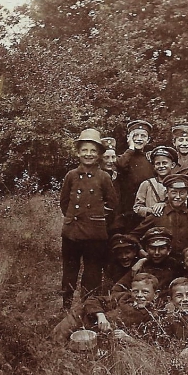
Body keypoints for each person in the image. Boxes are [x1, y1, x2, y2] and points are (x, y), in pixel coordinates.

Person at [60, 128, 118, 310]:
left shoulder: (104, 177)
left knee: (92, 272)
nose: (88, 154)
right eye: (84, 150)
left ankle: (89, 307)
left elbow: (112, 204)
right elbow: (64, 202)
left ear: (99, 154)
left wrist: (96, 219)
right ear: (78, 152)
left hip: (95, 234)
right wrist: (74, 219)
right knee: (70, 270)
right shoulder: (71, 175)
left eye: (93, 151)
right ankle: (66, 306)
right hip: (71, 232)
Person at [52, 273, 160, 344]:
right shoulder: (124, 298)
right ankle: (52, 344)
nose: (139, 295)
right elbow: (93, 299)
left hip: (106, 339)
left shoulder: (153, 316)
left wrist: (128, 338)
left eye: (145, 292)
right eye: (136, 291)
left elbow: (149, 343)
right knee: (79, 312)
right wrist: (100, 315)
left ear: (156, 295)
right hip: (89, 323)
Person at [131, 174, 188, 259]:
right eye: (174, 192)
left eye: (182, 193)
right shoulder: (158, 214)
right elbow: (133, 236)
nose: (178, 197)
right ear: (166, 193)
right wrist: (142, 252)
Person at [111, 227, 182, 299]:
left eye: (162, 248)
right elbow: (116, 290)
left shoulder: (176, 266)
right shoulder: (141, 266)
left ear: (169, 250)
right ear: (147, 249)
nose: (156, 253)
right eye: (152, 248)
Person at [115, 120, 155, 232]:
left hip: (145, 209)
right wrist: (131, 148)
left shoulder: (149, 159)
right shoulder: (124, 157)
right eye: (135, 135)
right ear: (128, 137)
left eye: (143, 136)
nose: (139, 139)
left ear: (148, 140)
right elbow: (121, 164)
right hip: (125, 209)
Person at [133, 146, 177, 218]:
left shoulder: (178, 183)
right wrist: (150, 210)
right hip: (152, 223)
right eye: (158, 164)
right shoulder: (147, 184)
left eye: (164, 163)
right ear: (154, 166)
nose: (161, 166)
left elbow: (183, 204)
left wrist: (165, 205)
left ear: (172, 165)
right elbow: (137, 207)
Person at [100, 137, 121, 235]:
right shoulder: (97, 176)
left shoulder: (117, 175)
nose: (111, 161)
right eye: (106, 157)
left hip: (116, 223)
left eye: (113, 157)